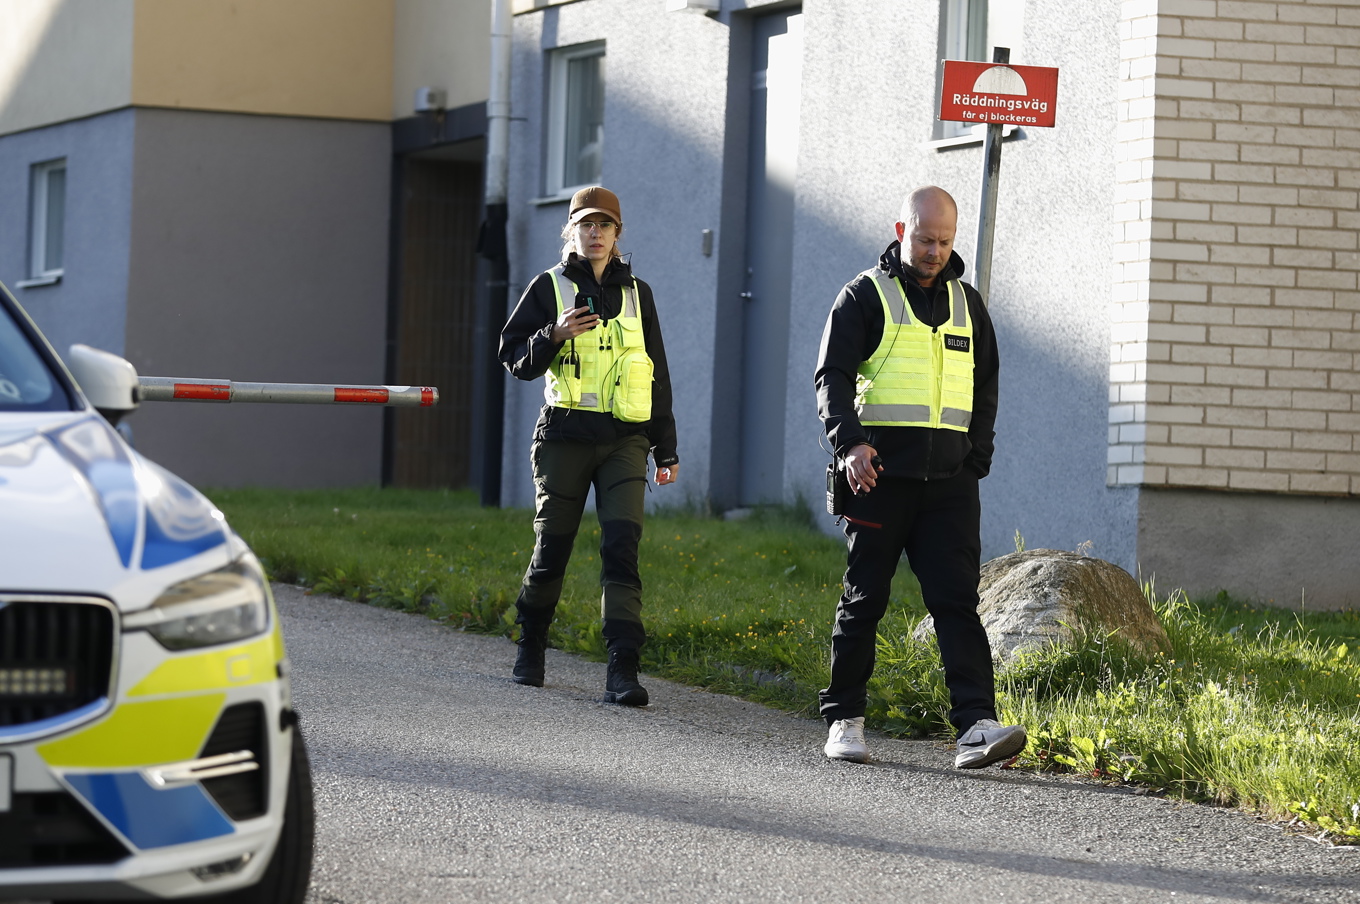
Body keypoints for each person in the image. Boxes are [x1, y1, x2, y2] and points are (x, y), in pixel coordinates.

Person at [813, 185, 1025, 768]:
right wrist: (850, 444)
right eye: (926, 239)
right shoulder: (864, 295)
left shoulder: (968, 304)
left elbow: (985, 386)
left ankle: (976, 726)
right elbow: (831, 377)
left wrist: (976, 458)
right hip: (877, 477)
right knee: (865, 598)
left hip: (950, 485)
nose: (935, 251)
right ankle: (845, 719)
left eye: (945, 241)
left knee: (957, 602)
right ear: (902, 231)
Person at [498, 185, 679, 706]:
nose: (596, 233)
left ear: (618, 234)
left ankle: (623, 667)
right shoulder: (548, 286)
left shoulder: (639, 294)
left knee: (622, 547)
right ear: (572, 231)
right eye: (586, 225)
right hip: (565, 436)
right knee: (552, 546)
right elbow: (513, 358)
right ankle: (531, 643)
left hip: (625, 440)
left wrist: (666, 448)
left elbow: (657, 372)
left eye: (605, 225)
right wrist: (552, 335)